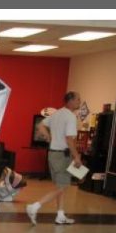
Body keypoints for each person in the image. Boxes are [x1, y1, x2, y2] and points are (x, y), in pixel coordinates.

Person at [26, 91, 83, 225]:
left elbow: (40, 126)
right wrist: (77, 157)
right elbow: (69, 140)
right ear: (70, 101)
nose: (79, 102)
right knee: (61, 187)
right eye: (78, 100)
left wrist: (49, 137)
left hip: (53, 154)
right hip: (62, 156)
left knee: (60, 186)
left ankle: (60, 215)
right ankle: (34, 207)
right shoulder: (70, 117)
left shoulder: (57, 113)